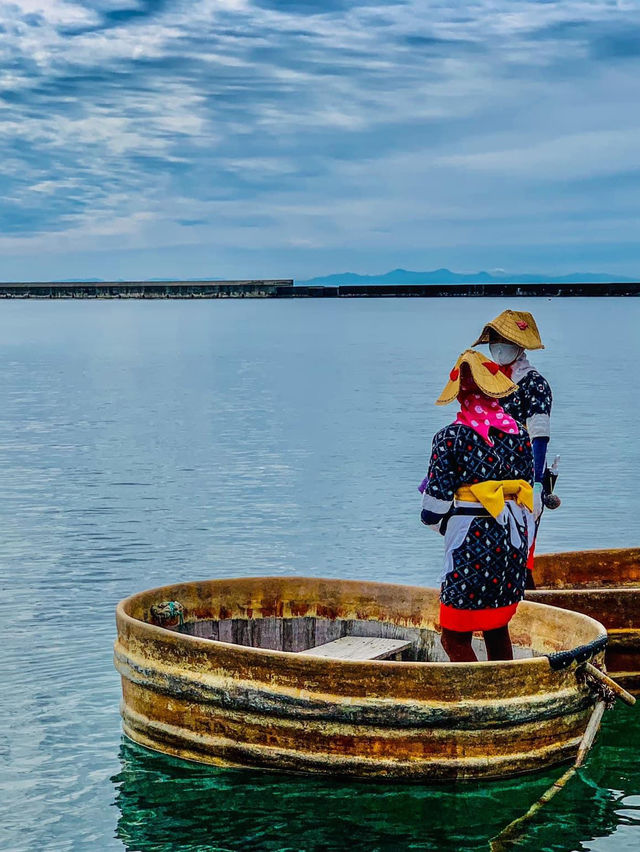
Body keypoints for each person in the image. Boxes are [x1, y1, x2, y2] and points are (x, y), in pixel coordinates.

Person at [419, 349, 535, 662]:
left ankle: (482, 700)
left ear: (461, 395)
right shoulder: (520, 435)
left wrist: (446, 526)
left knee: (453, 638)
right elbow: (528, 490)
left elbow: (433, 509)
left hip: (471, 543)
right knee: (497, 627)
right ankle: (508, 690)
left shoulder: (450, 438)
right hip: (512, 542)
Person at [472, 310, 552, 582]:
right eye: (495, 340)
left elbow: (539, 435)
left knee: (522, 544)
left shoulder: (535, 384)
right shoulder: (489, 382)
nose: (498, 346)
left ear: (519, 344)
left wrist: (538, 482)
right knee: (489, 545)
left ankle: (523, 596)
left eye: (504, 339)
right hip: (488, 474)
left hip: (524, 474)